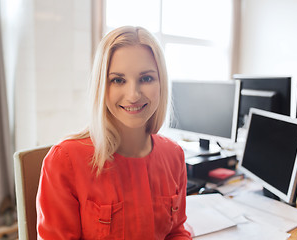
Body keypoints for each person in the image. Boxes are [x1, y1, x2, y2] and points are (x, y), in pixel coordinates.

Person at [36, 26, 192, 239]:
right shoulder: (64, 161)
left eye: (146, 78)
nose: (133, 95)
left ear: (161, 83)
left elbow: (176, 231)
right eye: (118, 80)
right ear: (102, 86)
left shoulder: (174, 155)